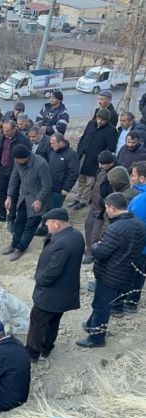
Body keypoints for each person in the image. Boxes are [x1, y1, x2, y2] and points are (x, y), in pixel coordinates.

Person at [78, 193, 145, 347]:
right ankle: (90, 324)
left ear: (113, 208)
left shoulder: (116, 228)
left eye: (107, 208)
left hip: (110, 274)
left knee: (101, 305)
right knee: (103, 303)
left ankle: (96, 338)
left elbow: (101, 252)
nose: (106, 211)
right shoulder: (139, 223)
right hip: (127, 271)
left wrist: (95, 245)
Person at [25, 208, 85, 361]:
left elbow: (53, 271)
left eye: (48, 223)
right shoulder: (76, 236)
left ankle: (32, 352)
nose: (46, 226)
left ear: (57, 223)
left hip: (51, 294)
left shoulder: (62, 243)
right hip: (64, 293)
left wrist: (40, 279)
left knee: (38, 322)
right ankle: (46, 348)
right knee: (53, 321)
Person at [1, 144, 51, 261]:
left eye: (18, 160)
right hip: (24, 197)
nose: (16, 162)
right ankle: (14, 244)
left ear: (26, 157)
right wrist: (9, 196)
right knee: (19, 221)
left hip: (37, 199)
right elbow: (14, 179)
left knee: (30, 225)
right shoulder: (18, 162)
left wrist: (39, 200)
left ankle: (21, 248)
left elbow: (47, 185)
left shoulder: (40, 164)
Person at [72, 108, 119, 210]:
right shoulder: (91, 124)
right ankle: (78, 197)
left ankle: (84, 200)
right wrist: (80, 150)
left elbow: (110, 148)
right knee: (81, 179)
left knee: (90, 182)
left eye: (103, 120)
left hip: (96, 161)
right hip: (84, 157)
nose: (100, 121)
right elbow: (83, 137)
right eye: (98, 118)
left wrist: (101, 160)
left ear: (107, 120)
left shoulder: (111, 131)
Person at [34, 132, 80, 237]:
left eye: (53, 143)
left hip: (60, 189)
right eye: (51, 143)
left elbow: (74, 173)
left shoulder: (71, 154)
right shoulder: (53, 152)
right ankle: (44, 228)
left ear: (61, 142)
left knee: (54, 210)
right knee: (46, 208)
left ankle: (53, 232)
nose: (51, 145)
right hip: (49, 186)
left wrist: (66, 188)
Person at [0, 120, 31, 225]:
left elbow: (27, 157)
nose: (5, 133)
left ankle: (11, 217)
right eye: (4, 130)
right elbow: (0, 151)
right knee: (1, 192)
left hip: (16, 171)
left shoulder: (23, 140)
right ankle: (2, 214)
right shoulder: (3, 137)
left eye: (7, 131)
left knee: (13, 194)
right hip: (3, 169)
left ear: (14, 129)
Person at [82, 151, 117, 265]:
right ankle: (88, 249)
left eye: (103, 164)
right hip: (94, 205)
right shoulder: (101, 170)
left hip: (103, 208)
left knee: (97, 231)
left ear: (111, 163)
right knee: (88, 226)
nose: (100, 166)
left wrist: (104, 204)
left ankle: (92, 254)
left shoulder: (115, 173)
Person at [123, 161, 146, 314]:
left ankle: (130, 302)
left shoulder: (141, 200)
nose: (131, 178)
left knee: (135, 272)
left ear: (142, 179)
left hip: (140, 245)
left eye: (133, 175)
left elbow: (132, 223)